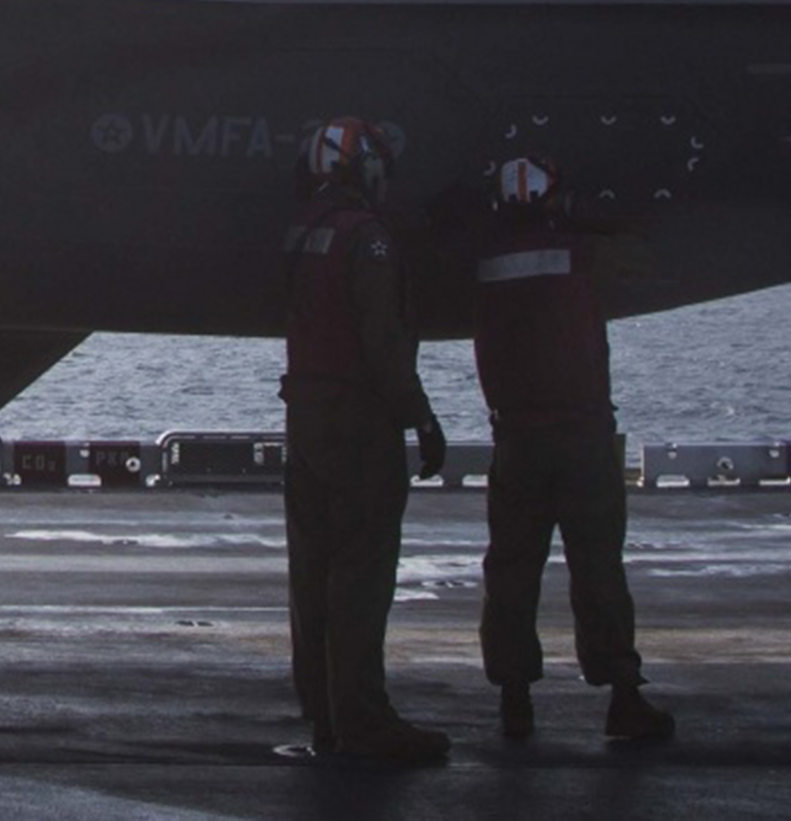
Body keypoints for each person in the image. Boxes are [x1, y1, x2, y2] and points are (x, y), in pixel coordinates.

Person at [471, 156, 673, 742]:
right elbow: (643, 255)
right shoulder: (583, 253)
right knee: (598, 571)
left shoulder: (487, 262)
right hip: (581, 438)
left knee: (510, 572)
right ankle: (622, 695)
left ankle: (514, 699)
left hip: (516, 441)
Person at [280, 116, 450, 762]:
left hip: (307, 418)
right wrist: (423, 419)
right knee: (361, 572)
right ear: (365, 169)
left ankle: (323, 713)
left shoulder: (305, 234)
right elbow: (381, 343)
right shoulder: (368, 240)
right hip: (359, 423)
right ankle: (363, 719)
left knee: (312, 572)